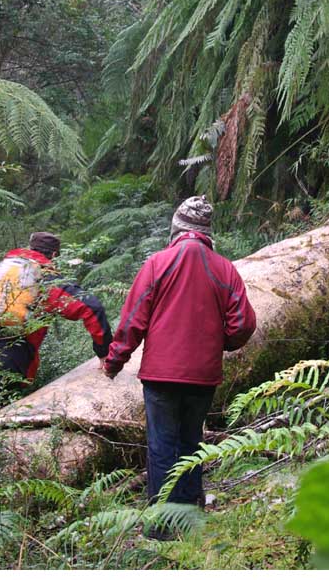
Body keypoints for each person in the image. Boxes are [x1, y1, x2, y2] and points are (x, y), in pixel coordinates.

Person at [99, 196, 256, 531]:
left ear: (177, 229)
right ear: (205, 233)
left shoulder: (157, 263)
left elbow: (132, 321)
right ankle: (190, 520)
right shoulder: (224, 269)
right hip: (203, 376)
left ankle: (160, 527)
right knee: (190, 445)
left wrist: (114, 361)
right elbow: (243, 323)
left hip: (161, 376)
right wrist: (220, 342)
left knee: (161, 447)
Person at [0, 231, 112, 414]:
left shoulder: (5, 272)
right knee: (0, 417)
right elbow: (92, 307)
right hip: (10, 356)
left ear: (30, 247)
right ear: (54, 254)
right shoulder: (45, 279)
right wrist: (104, 352)